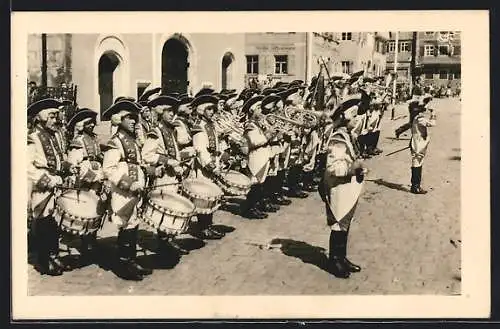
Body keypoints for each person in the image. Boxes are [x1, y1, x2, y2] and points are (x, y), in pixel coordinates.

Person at [101, 100, 152, 281]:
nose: (133, 121)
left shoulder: (132, 139)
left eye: (134, 118)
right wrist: (129, 183)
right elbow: (109, 169)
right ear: (119, 119)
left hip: (135, 189)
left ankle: (131, 261)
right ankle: (123, 265)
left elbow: (137, 163)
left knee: (133, 223)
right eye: (129, 117)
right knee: (125, 224)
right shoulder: (115, 142)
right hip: (123, 190)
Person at [318, 98, 368, 279]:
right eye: (354, 116)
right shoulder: (338, 138)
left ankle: (342, 257)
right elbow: (332, 168)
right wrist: (352, 168)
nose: (357, 119)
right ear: (344, 117)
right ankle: (334, 261)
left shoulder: (348, 134)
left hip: (348, 186)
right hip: (338, 187)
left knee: (345, 223)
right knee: (338, 224)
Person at [141, 96, 196, 254]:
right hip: (164, 176)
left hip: (174, 176)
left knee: (173, 207)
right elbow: (147, 155)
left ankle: (170, 240)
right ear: (161, 112)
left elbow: (175, 152)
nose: (172, 114)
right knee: (166, 209)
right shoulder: (155, 132)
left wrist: (185, 155)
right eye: (168, 111)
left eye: (173, 111)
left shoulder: (171, 129)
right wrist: (166, 161)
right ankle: (164, 243)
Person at [27, 98, 72, 275]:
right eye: (52, 117)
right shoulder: (33, 137)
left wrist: (68, 167)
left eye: (56, 117)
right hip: (42, 185)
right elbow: (27, 166)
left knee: (54, 222)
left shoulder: (52, 135)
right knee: (43, 222)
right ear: (42, 118)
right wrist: (46, 180)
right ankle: (43, 261)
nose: (56, 121)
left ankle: (54, 256)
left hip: (55, 183)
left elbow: (58, 158)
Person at [66, 108, 104, 265]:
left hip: (97, 172)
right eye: (88, 123)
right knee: (86, 209)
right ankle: (85, 243)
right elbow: (75, 161)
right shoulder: (78, 141)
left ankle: (92, 239)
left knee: (97, 208)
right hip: (85, 175)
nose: (92, 126)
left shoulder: (94, 139)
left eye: (92, 123)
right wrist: (88, 175)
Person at [189, 94, 226, 238]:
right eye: (209, 109)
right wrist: (211, 166)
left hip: (214, 165)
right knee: (204, 197)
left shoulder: (211, 125)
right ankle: (203, 228)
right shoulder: (199, 128)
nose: (212, 112)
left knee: (212, 196)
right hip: (203, 170)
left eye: (213, 109)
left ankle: (208, 225)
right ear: (202, 110)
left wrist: (222, 157)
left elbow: (216, 145)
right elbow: (200, 151)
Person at [409, 93, 436, 194]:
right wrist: (433, 113)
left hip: (417, 141)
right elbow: (433, 123)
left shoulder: (415, 116)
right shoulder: (419, 118)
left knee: (417, 162)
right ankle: (415, 186)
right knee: (417, 162)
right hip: (418, 143)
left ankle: (415, 185)